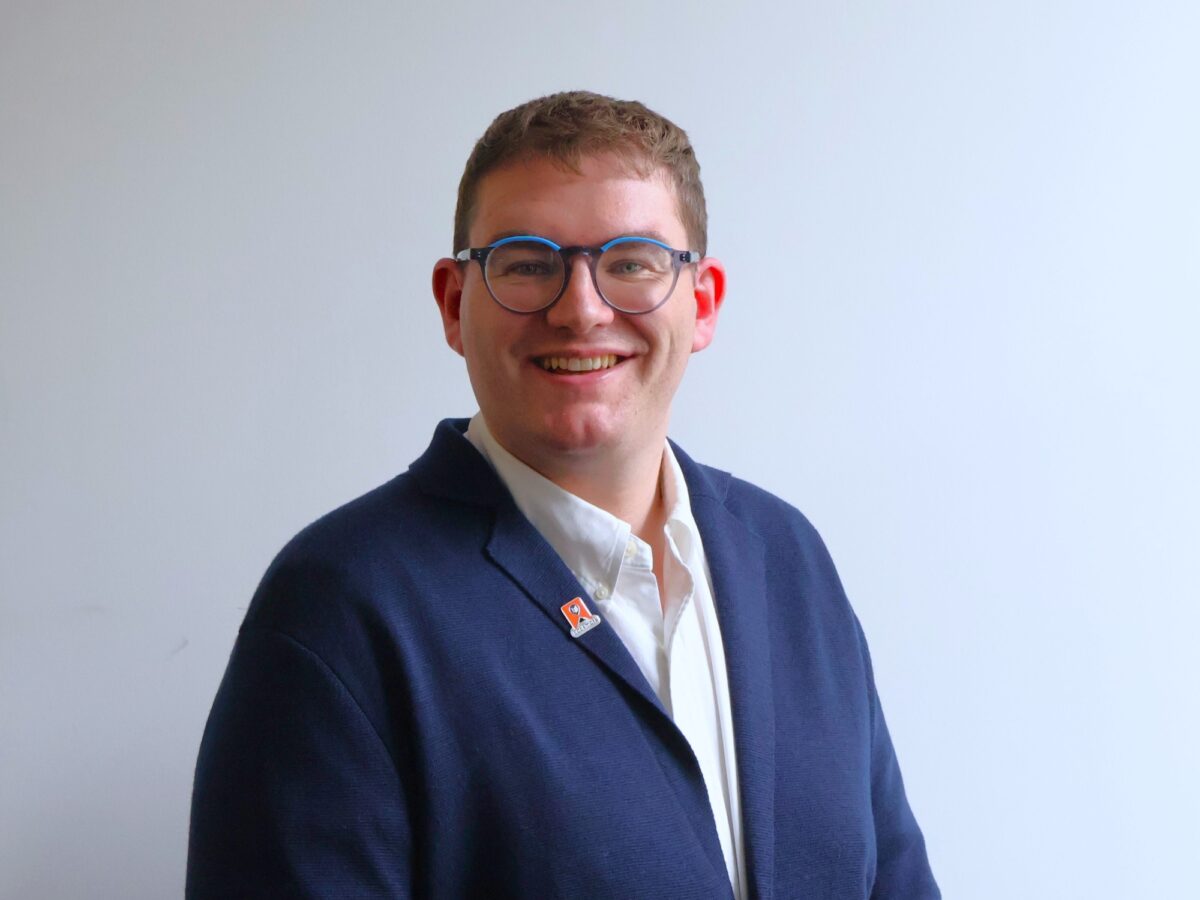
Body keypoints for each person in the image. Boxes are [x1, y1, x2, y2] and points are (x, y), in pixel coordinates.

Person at [187, 91, 940, 899]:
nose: (581, 310)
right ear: (454, 303)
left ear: (703, 302)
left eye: (632, 263)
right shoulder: (341, 608)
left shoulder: (785, 558)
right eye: (527, 263)